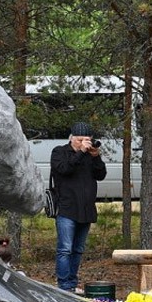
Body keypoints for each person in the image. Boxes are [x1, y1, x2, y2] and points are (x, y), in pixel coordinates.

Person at [50, 122, 106, 293]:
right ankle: (64, 285)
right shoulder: (59, 152)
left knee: (78, 249)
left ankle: (72, 283)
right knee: (65, 249)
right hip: (67, 208)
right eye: (80, 140)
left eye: (87, 140)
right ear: (72, 138)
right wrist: (80, 152)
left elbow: (101, 175)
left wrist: (96, 156)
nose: (84, 143)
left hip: (86, 209)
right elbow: (64, 169)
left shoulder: (89, 155)